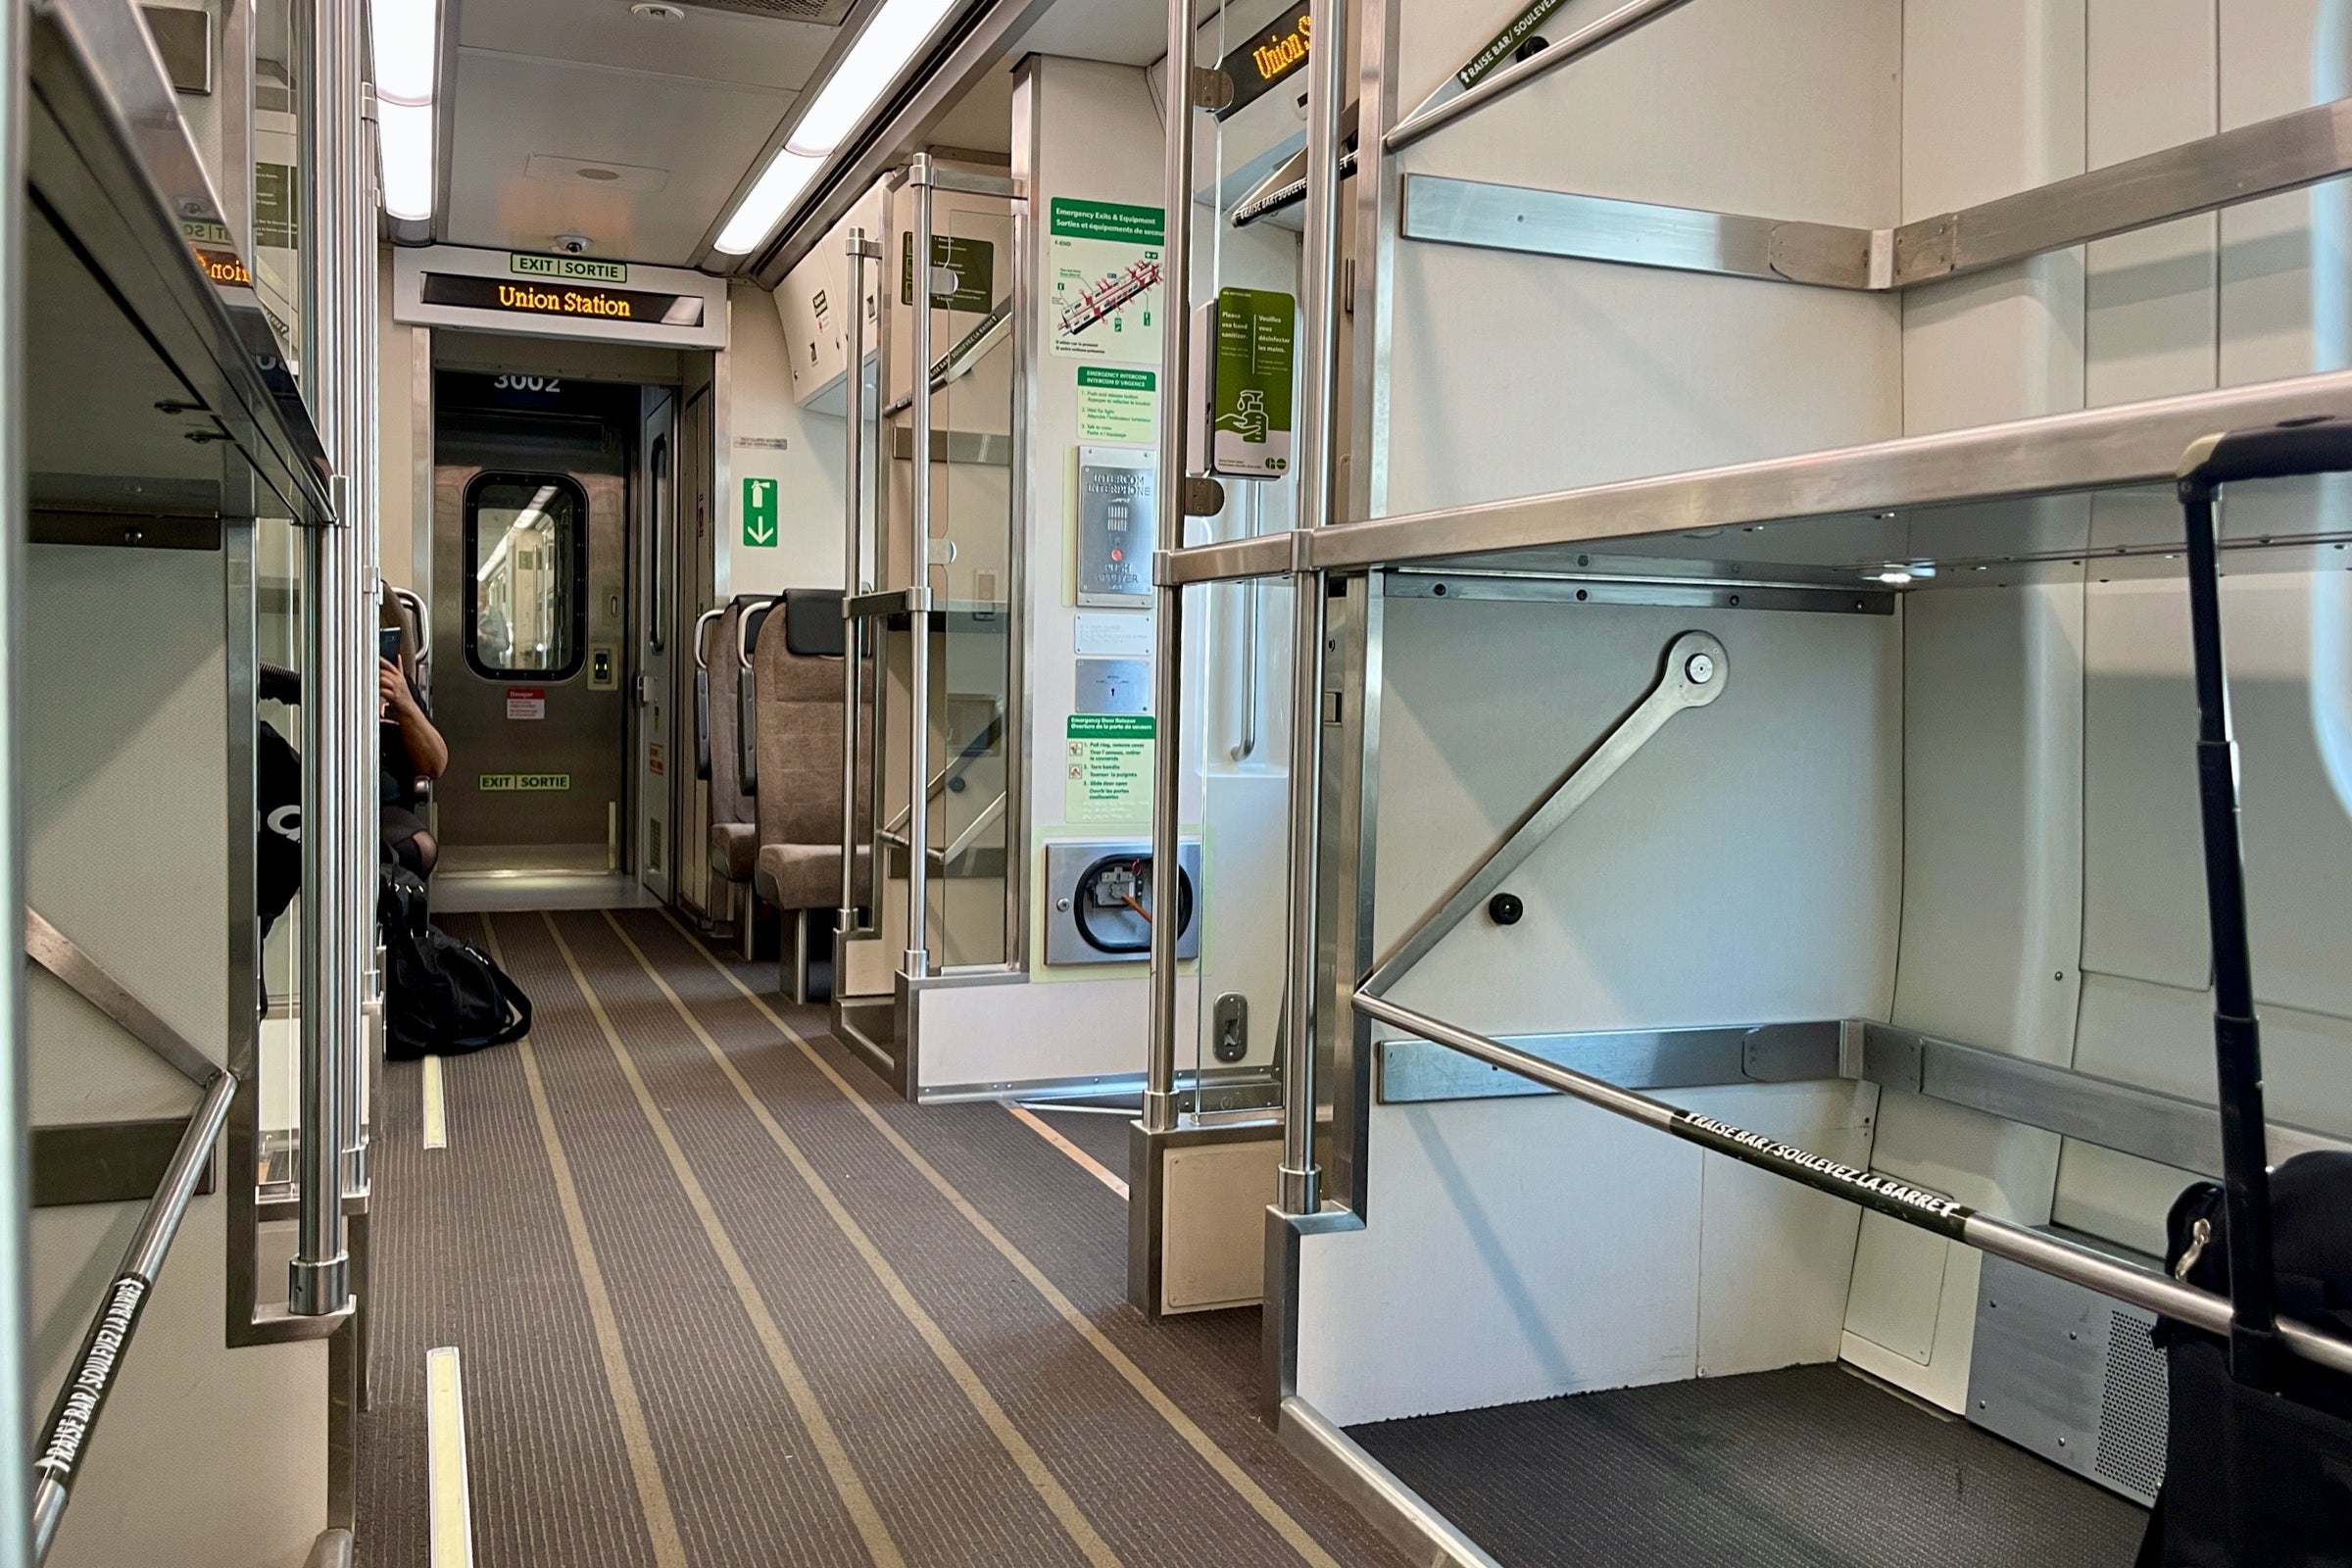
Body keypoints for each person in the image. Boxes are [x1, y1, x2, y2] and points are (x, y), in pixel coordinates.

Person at [380, 654, 447, 876]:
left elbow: (435, 764)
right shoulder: (327, 676)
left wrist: (405, 703)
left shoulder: (396, 683)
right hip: (329, 798)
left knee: (421, 848)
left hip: (386, 806)